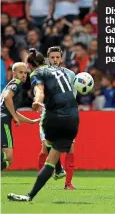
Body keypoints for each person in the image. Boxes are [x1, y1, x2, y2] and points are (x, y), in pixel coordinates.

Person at [7, 49, 79, 202]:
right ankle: (35, 191)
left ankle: (57, 170)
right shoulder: (63, 72)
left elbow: (39, 90)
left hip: (55, 117)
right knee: (51, 158)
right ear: (45, 61)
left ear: (30, 65)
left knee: (47, 141)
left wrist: (37, 101)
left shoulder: (37, 74)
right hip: (73, 118)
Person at [37, 46, 77, 190]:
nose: (55, 60)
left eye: (57, 57)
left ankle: (68, 183)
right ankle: (42, 182)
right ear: (48, 59)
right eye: (52, 57)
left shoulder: (71, 75)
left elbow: (73, 95)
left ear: (61, 59)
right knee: (45, 148)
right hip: (49, 115)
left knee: (70, 147)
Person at [1, 62, 40, 170]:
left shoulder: (10, 85)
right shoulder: (16, 83)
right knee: (8, 157)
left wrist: (30, 121)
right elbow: (7, 97)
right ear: (14, 73)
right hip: (3, 121)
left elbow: (11, 109)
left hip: (2, 119)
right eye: (20, 72)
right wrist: (14, 116)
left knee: (9, 159)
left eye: (25, 73)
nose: (24, 75)